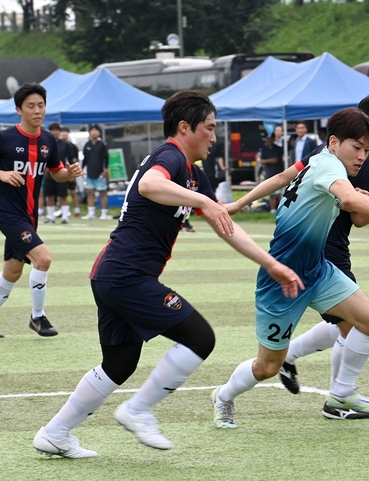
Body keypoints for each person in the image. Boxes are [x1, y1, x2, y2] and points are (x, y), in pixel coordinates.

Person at [32, 90, 303, 458]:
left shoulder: (193, 173)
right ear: (184, 127)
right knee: (199, 338)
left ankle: (55, 432)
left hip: (113, 275)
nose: (214, 136)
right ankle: (138, 409)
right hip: (127, 275)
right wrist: (204, 200)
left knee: (119, 364)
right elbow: (148, 185)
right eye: (208, 128)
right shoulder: (170, 156)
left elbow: (223, 223)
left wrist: (269, 263)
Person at [211, 107, 369, 429]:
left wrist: (239, 204)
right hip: (282, 278)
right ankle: (223, 396)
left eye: (367, 151)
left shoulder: (317, 159)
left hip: (318, 270)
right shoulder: (328, 164)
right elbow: (349, 201)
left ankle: (341, 395)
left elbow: (284, 177)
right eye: (357, 148)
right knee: (268, 366)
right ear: (335, 142)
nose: (363, 158)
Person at [0, 83, 83, 339]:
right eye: (31, 106)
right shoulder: (4, 138)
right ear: (18, 110)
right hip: (9, 214)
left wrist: (70, 173)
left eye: (41, 105)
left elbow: (57, 174)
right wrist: (1, 173)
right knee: (43, 258)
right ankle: (38, 317)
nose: (37, 110)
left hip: (30, 216)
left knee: (12, 271)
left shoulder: (48, 140)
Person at [43, 123, 73, 224]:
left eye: (57, 130)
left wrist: (71, 173)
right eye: (52, 130)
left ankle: (65, 217)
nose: (55, 132)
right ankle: (51, 217)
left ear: (59, 131)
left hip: (62, 173)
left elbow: (71, 159)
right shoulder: (46, 143)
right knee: (50, 196)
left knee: (63, 196)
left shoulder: (65, 144)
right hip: (48, 174)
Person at [81, 124, 110, 220]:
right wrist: (82, 169)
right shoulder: (87, 144)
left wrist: (105, 170)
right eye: (92, 130)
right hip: (89, 172)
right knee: (90, 192)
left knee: (102, 193)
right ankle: (91, 213)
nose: (94, 132)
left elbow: (106, 158)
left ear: (99, 133)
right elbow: (85, 159)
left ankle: (104, 213)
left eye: (96, 130)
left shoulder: (102, 145)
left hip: (100, 173)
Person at [258, 133, 285, 213]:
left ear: (273, 139)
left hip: (279, 172)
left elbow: (276, 160)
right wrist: (270, 160)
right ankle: (272, 210)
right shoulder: (263, 149)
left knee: (279, 194)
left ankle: (281, 210)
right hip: (269, 173)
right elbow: (262, 161)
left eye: (270, 138)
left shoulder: (279, 149)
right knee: (271, 194)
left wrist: (267, 161)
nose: (269, 140)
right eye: (267, 138)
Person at [60, 127, 82, 218]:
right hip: (60, 173)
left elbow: (76, 159)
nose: (64, 134)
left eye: (66, 132)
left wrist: (72, 173)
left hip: (70, 172)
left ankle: (77, 211)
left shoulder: (72, 146)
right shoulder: (57, 144)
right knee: (61, 194)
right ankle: (62, 211)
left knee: (73, 192)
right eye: (63, 132)